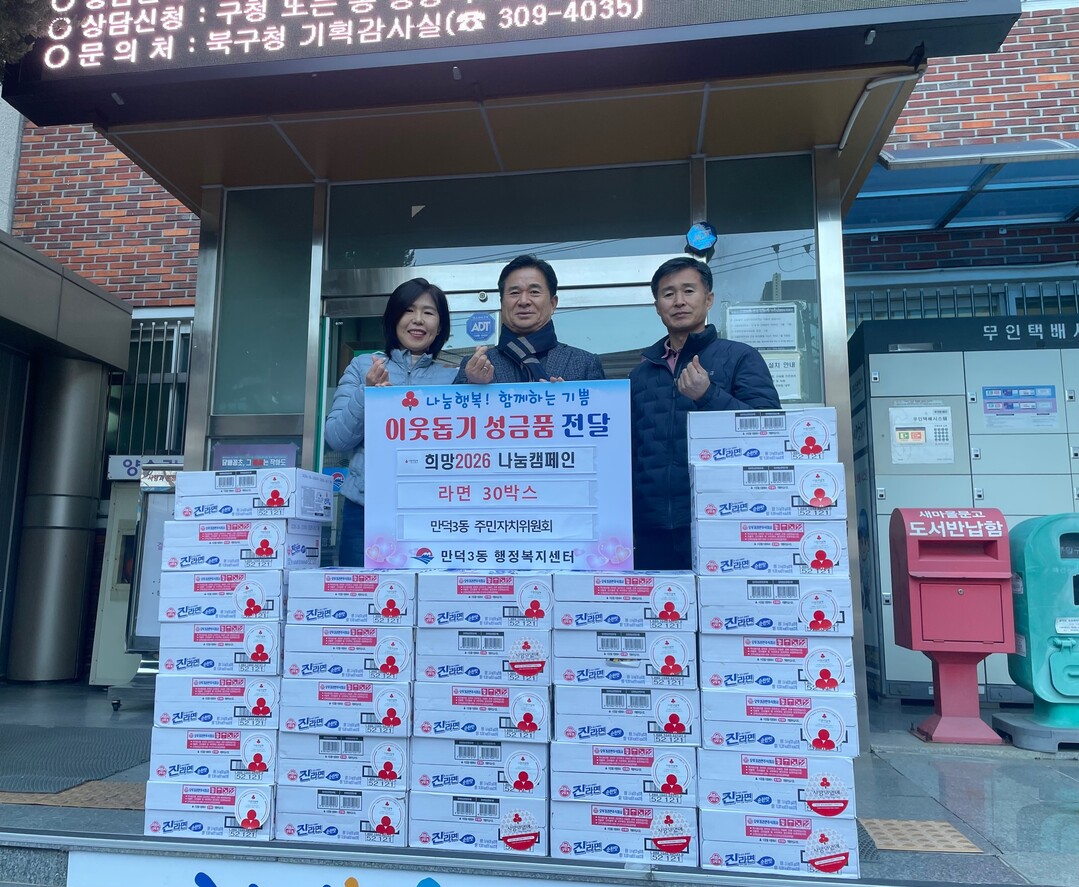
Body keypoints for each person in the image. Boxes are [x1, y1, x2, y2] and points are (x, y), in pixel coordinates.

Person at [630, 256, 781, 570]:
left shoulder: (739, 357)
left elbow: (770, 431)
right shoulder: (641, 374)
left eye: (689, 291)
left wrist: (708, 395)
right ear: (657, 306)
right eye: (668, 294)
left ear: (708, 299)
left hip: (725, 518)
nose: (679, 301)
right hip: (650, 528)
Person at [324, 278, 457, 567]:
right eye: (409, 310)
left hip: (432, 511)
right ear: (394, 318)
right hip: (365, 509)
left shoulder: (453, 378)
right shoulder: (363, 366)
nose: (418, 320)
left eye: (428, 312)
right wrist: (367, 393)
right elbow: (336, 438)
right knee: (360, 592)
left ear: (440, 326)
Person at [455, 254, 605, 384]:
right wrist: (473, 386)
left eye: (534, 292)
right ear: (501, 303)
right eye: (514, 293)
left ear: (553, 304)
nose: (524, 301)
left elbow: (602, 407)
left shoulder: (584, 363)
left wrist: (570, 400)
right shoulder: (474, 366)